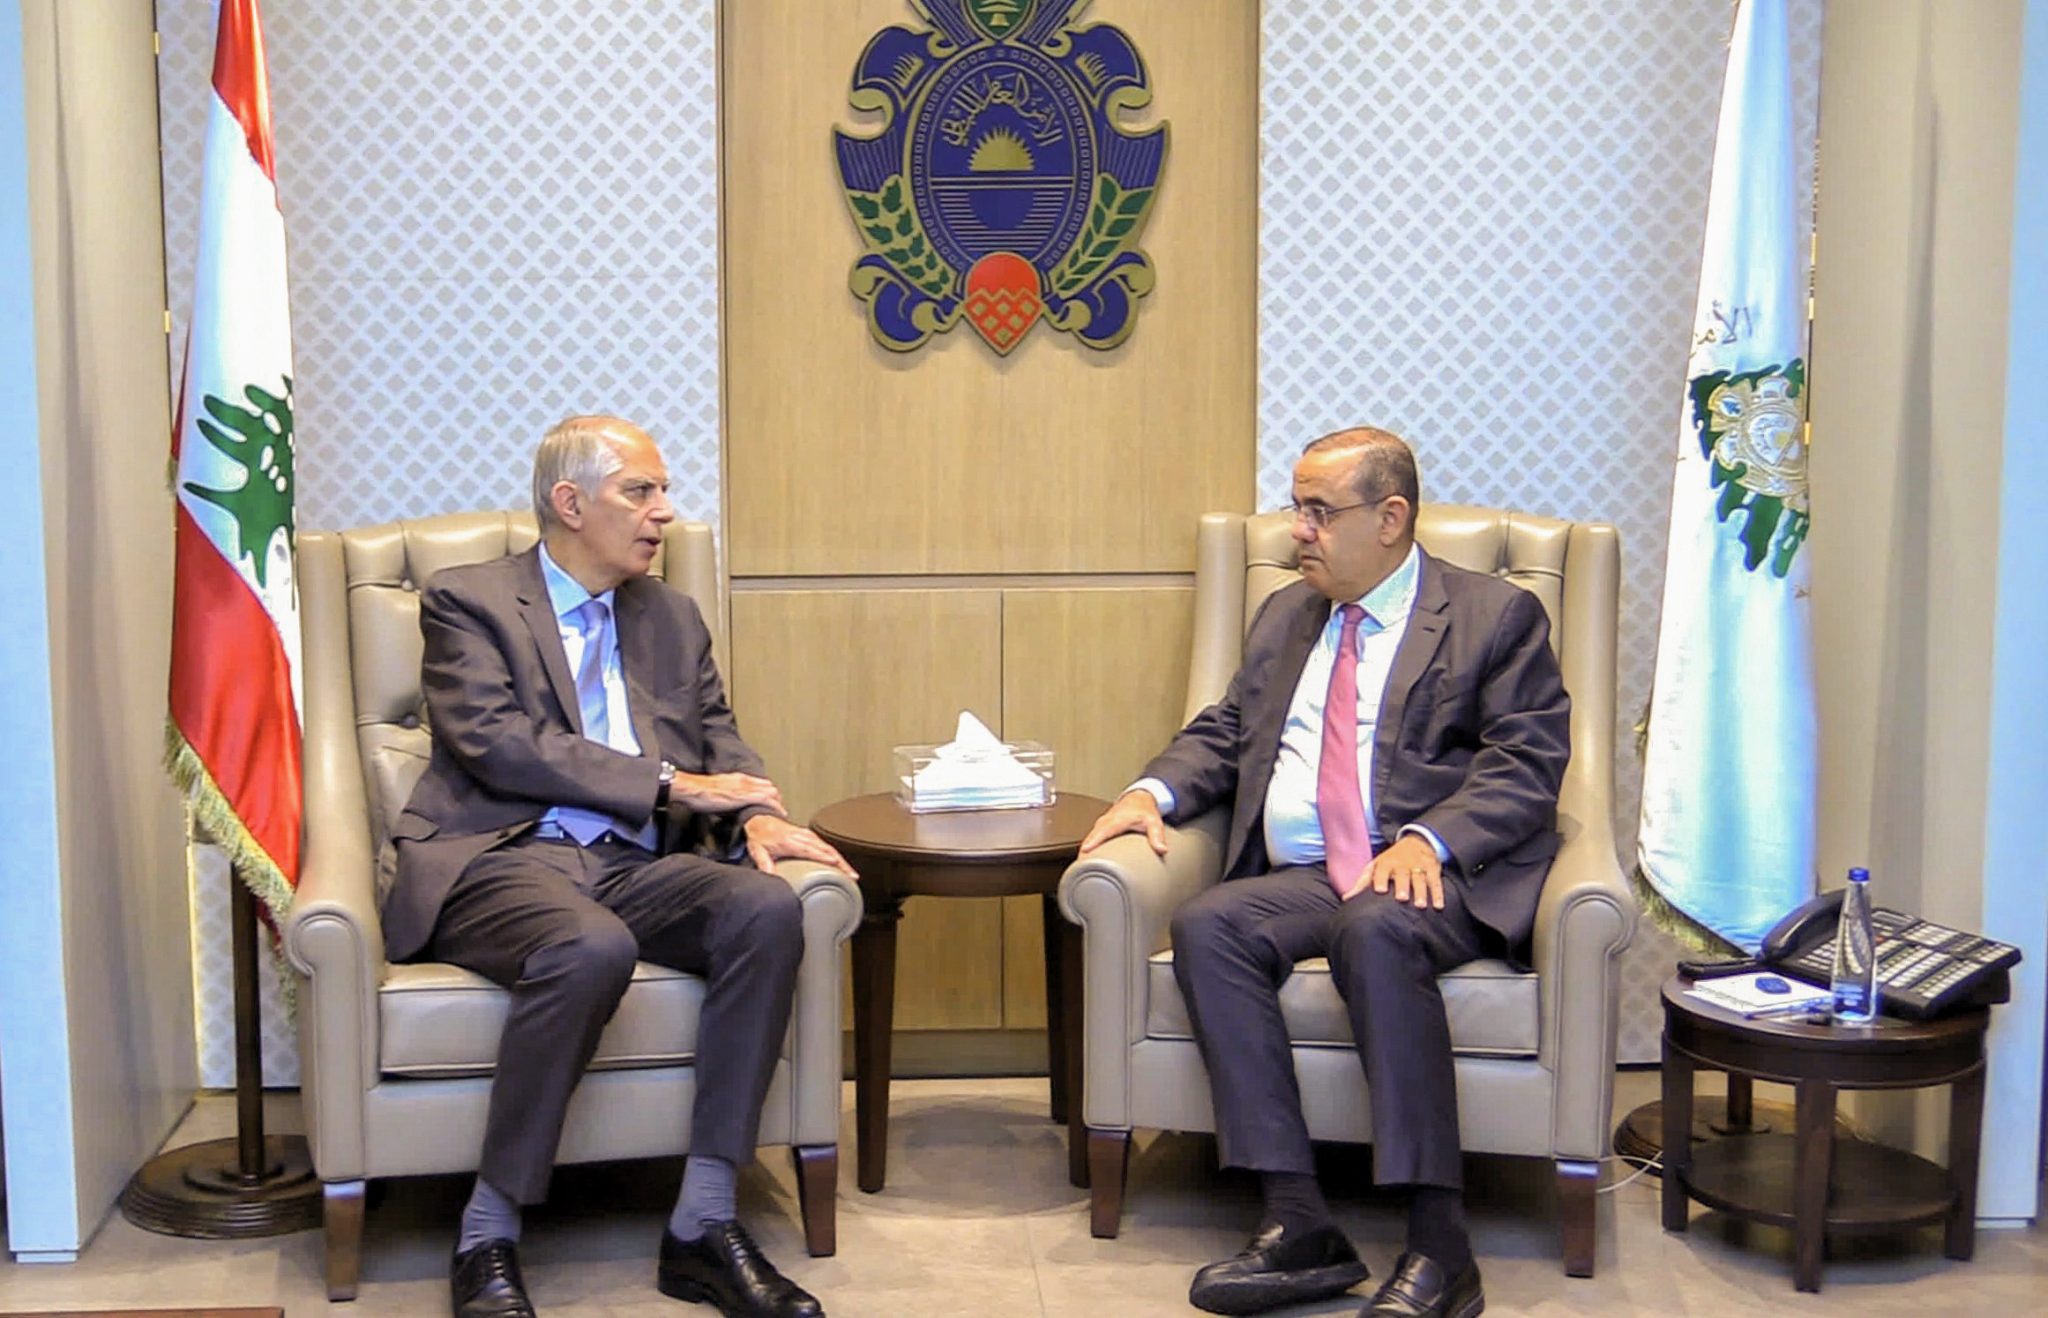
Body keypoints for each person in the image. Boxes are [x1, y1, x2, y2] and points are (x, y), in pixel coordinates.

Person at [1078, 428, 1569, 1318]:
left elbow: (1525, 763)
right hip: (1312, 869)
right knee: (1209, 923)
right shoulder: (1286, 615)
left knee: (1374, 926)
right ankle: (1299, 1221)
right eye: (1295, 508)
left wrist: (1429, 839)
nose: (1297, 530)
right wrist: (1150, 792)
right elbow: (1227, 730)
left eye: (1319, 511)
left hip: (1435, 874)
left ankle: (1441, 1247)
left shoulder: (1495, 617)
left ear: (1390, 517)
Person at [384, 415, 854, 1318]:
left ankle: (703, 1224)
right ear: (570, 504)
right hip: (506, 853)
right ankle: (487, 1231)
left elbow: (717, 734)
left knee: (765, 909)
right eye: (640, 492)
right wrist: (672, 783)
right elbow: (496, 742)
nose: (663, 512)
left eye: (663, 492)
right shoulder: (468, 600)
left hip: (635, 859)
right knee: (588, 946)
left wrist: (759, 813)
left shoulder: (670, 616)